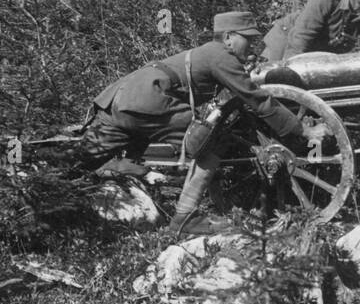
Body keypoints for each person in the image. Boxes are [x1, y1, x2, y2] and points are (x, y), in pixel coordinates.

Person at [79, 12, 310, 191]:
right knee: (207, 141)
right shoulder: (219, 55)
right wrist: (303, 131)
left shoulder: (211, 53)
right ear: (228, 38)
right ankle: (186, 217)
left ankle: (127, 172)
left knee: (78, 163)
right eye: (247, 39)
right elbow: (256, 99)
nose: (252, 45)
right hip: (146, 99)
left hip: (121, 99)